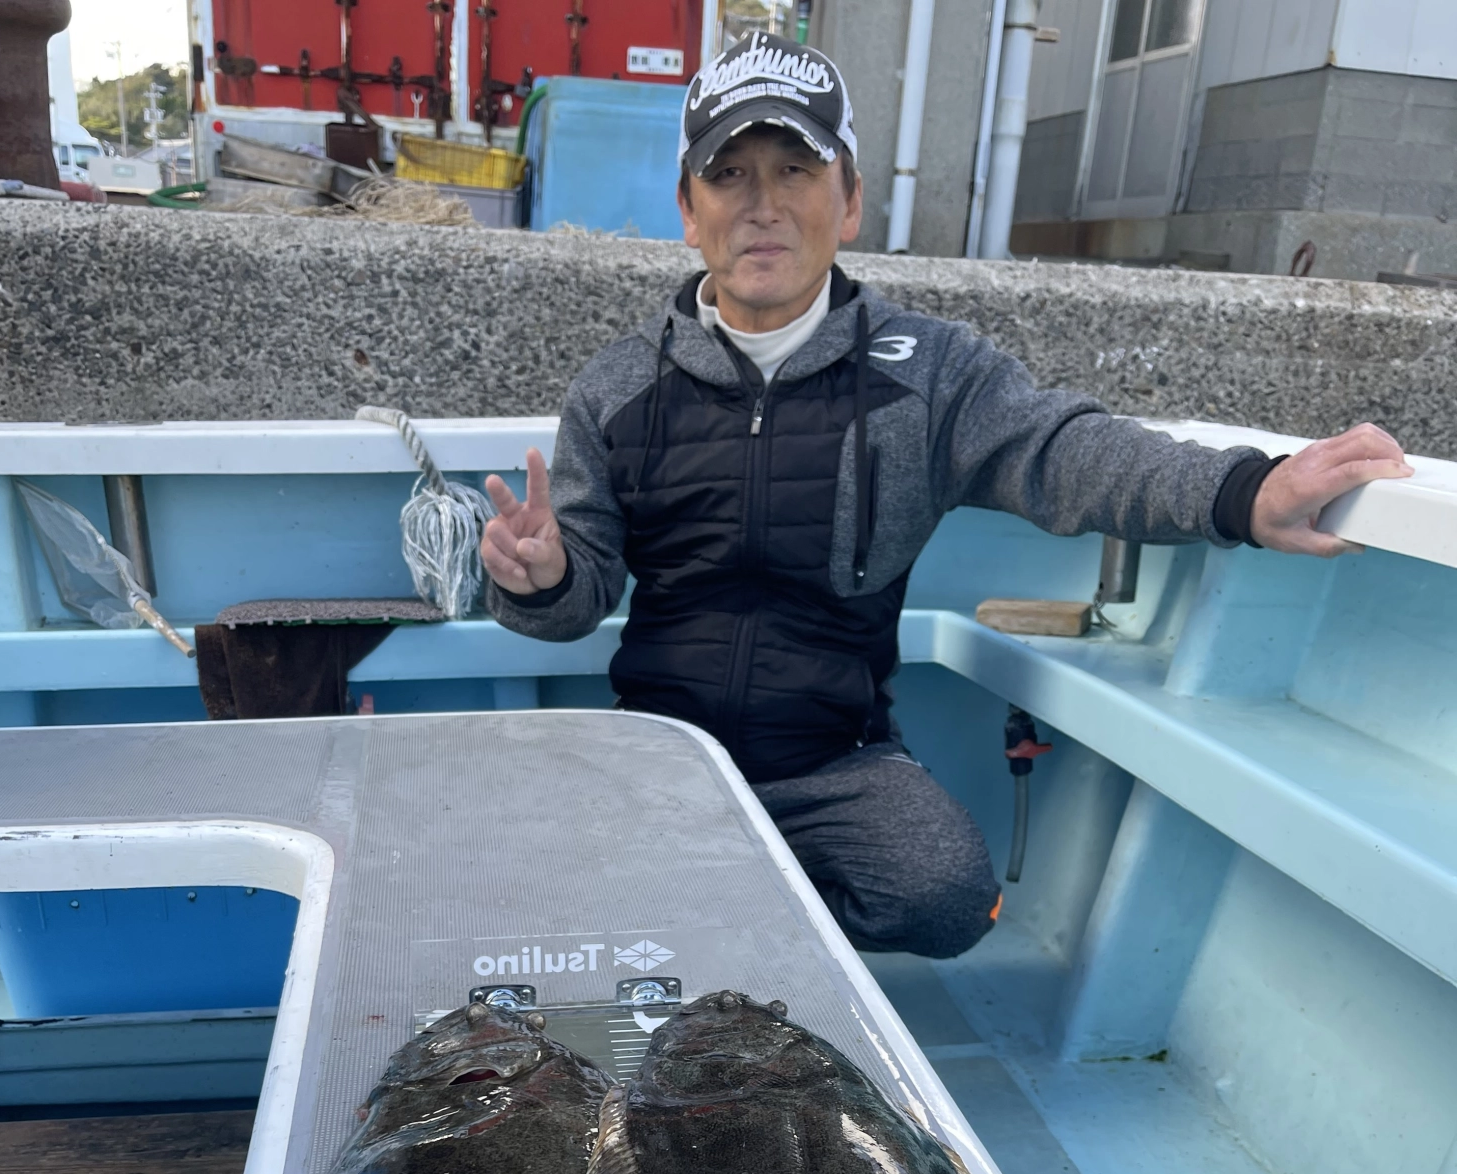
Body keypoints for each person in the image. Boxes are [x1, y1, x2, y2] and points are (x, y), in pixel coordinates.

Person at [481, 29, 1410, 961]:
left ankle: (720, 922)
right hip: (657, 756)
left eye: (796, 170)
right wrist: (540, 576)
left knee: (945, 897)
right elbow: (575, 603)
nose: (761, 206)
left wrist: (1245, 490)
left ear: (848, 202)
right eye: (729, 175)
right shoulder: (616, 384)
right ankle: (722, 920)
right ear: (688, 209)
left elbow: (1068, 451)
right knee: (513, 877)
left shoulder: (932, 373)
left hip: (833, 763)